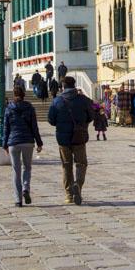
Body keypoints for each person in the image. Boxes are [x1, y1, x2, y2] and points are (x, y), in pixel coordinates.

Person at [47, 77, 93, 205]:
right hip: (79, 137)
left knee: (66, 166)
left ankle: (69, 195)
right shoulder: (84, 100)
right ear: (74, 85)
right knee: (81, 164)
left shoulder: (57, 101)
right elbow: (91, 115)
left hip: (63, 139)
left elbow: (51, 120)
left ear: (62, 86)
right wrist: (82, 124)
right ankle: (77, 184)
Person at [2, 86, 43, 207]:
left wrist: (4, 144)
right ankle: (26, 188)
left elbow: (6, 128)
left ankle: (18, 199)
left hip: (13, 142)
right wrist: (39, 143)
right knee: (27, 167)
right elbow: (34, 127)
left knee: (16, 170)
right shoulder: (29, 108)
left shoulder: (9, 108)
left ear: (13, 94)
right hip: (27, 141)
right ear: (24, 94)